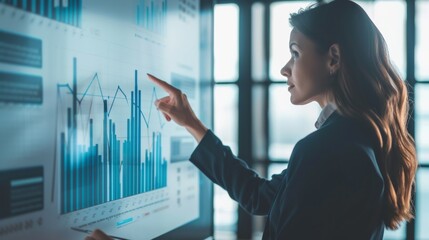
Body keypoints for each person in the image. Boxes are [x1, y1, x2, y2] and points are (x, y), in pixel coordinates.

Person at [86, 0, 417, 239]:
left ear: (333, 59)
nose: (285, 68)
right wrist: (193, 125)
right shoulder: (356, 139)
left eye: (295, 53)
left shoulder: (326, 150)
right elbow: (261, 197)